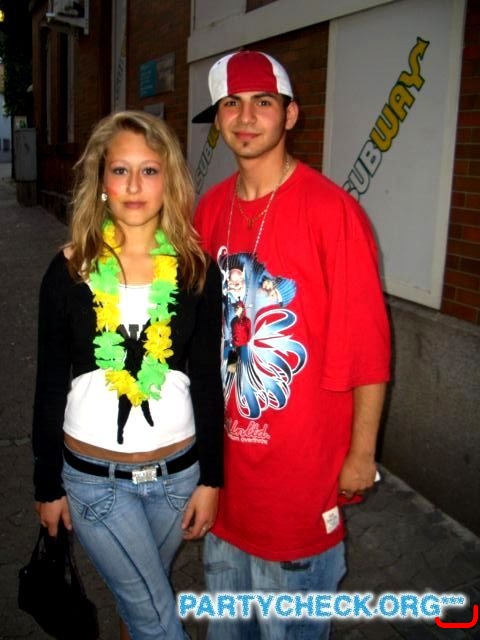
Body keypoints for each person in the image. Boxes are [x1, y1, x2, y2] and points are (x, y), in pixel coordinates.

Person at [192, 50, 391, 639]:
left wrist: (362, 454)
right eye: (231, 104)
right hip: (225, 488)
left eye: (263, 103)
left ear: (290, 115)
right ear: (218, 118)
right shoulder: (210, 208)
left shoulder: (332, 212)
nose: (246, 117)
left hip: (299, 485)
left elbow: (367, 347)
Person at [32, 110, 224, 640]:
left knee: (139, 603)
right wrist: (46, 483)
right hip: (95, 481)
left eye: (149, 170)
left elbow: (208, 382)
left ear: (169, 181)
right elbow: (49, 385)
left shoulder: (195, 269)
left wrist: (211, 478)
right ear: (101, 181)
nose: (134, 186)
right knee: (157, 619)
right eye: (120, 170)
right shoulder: (69, 270)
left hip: (178, 478)